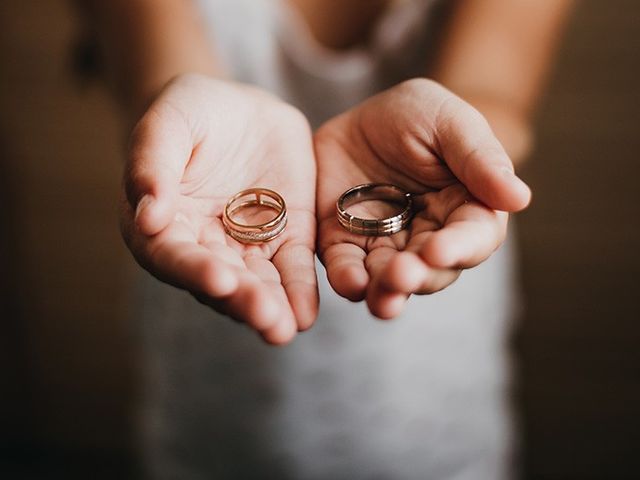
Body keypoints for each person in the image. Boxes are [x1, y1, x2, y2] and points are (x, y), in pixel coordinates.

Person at [81, 0, 573, 478]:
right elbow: (154, 77)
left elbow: (494, 91)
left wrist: (468, 141)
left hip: (438, 403)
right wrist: (174, 115)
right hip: (208, 399)